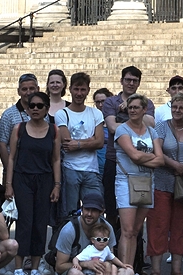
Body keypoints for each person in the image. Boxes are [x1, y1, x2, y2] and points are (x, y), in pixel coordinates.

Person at [5, 91, 61, 275]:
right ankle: (19, 269)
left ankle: (35, 268)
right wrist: (9, 185)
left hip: (44, 180)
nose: (35, 109)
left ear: (46, 108)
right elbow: (11, 158)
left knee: (40, 224)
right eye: (32, 105)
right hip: (22, 179)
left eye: (39, 105)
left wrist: (57, 185)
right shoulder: (19, 128)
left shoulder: (54, 130)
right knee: (24, 223)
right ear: (27, 108)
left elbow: (56, 159)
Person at [147, 92, 183, 275]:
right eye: (174, 107)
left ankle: (177, 271)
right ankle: (155, 272)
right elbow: (157, 151)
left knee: (182, 226)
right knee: (158, 225)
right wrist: (175, 165)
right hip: (162, 182)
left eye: (181, 107)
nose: (177, 110)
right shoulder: (161, 127)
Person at [102, 68, 156, 228]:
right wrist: (138, 121)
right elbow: (112, 127)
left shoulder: (147, 103)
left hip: (141, 164)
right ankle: (111, 249)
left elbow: (152, 124)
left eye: (135, 80)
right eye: (128, 80)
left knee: (137, 213)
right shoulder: (111, 102)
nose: (131, 83)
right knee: (111, 210)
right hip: (115, 161)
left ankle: (136, 251)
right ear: (121, 81)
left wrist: (129, 107)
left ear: (139, 82)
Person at [114, 94, 163, 268]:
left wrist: (145, 157)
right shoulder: (122, 130)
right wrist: (151, 156)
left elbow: (161, 161)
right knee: (126, 231)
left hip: (146, 182)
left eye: (136, 107)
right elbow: (133, 156)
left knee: (135, 231)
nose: (132, 110)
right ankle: (124, 272)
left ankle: (130, 270)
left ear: (144, 110)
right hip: (126, 181)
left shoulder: (152, 131)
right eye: (130, 107)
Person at [54, 193, 132, 275]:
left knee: (128, 272)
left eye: (94, 210)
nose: (89, 214)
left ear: (102, 212)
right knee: (74, 274)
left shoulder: (106, 228)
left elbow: (109, 256)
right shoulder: (69, 230)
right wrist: (86, 264)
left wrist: (108, 266)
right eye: (87, 209)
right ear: (82, 209)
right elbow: (59, 267)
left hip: (100, 274)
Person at [57, 72, 105, 214]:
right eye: (76, 89)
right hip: (70, 169)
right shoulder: (62, 113)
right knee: (70, 213)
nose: (79, 93)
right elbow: (67, 145)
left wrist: (77, 144)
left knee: (94, 211)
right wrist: (90, 140)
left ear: (88, 91)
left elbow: (100, 142)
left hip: (91, 170)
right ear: (70, 89)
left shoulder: (96, 114)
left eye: (83, 89)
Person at [0, 73, 40, 173]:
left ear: (38, 89)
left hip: (40, 171)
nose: (28, 92)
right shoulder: (8, 115)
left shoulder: (43, 113)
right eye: (24, 89)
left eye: (32, 88)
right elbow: (1, 145)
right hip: (17, 171)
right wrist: (10, 172)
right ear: (18, 91)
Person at [94, 89, 114, 177]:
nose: (100, 105)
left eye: (103, 101)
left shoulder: (116, 120)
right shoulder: (93, 121)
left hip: (112, 164)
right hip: (97, 167)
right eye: (97, 102)